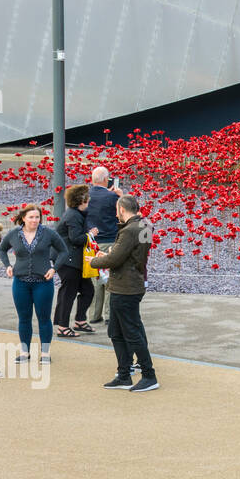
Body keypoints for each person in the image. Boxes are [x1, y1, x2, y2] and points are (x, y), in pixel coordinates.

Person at [90, 195, 157, 391]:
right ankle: (124, 373)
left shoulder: (129, 230)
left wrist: (94, 261)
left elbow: (115, 259)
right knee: (120, 331)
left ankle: (148, 374)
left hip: (124, 286)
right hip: (132, 283)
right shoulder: (145, 225)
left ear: (121, 209)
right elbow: (131, 255)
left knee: (130, 332)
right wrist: (112, 255)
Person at [0, 204, 67, 367]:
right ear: (23, 218)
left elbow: (64, 251)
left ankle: (45, 352)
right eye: (31, 217)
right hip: (20, 283)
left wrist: (54, 268)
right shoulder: (14, 234)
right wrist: (7, 265)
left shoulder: (48, 233)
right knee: (24, 318)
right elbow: (2, 249)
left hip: (43, 283)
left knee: (44, 318)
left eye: (37, 217)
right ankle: (24, 351)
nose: (35, 220)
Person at [54, 185, 95, 338]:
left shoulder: (76, 213)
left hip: (73, 260)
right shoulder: (73, 215)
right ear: (81, 200)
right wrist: (90, 235)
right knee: (68, 293)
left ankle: (80, 320)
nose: (89, 198)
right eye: (87, 196)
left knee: (88, 291)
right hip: (68, 260)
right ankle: (63, 327)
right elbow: (76, 238)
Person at [84, 167, 123, 325]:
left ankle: (94, 314)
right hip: (109, 240)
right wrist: (120, 195)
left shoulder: (85, 196)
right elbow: (124, 212)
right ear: (106, 180)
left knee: (95, 279)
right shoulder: (112, 197)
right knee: (109, 278)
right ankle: (109, 315)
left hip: (91, 242)